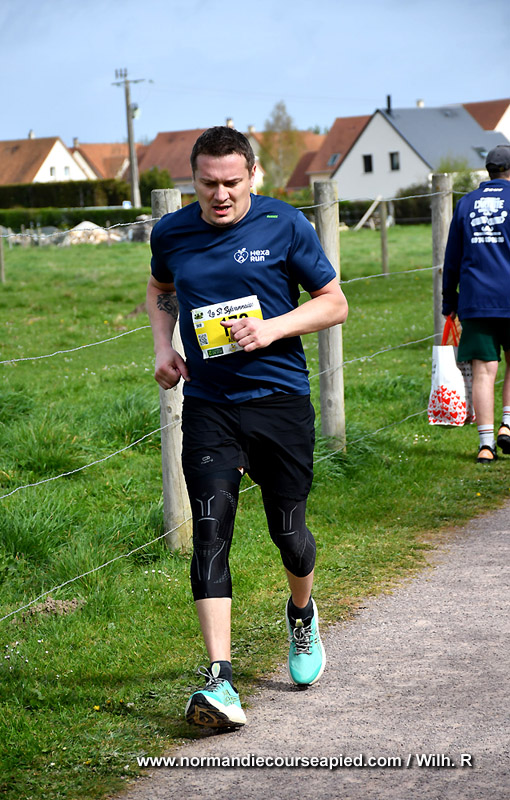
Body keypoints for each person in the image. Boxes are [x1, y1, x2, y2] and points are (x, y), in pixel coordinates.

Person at [146, 125, 348, 729]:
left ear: (252, 175)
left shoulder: (285, 224)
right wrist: (163, 347)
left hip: (279, 402)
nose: (221, 195)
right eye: (208, 183)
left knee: (290, 533)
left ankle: (302, 613)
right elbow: (160, 289)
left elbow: (334, 302)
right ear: (193, 179)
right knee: (210, 531)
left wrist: (272, 328)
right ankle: (220, 681)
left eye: (232, 182)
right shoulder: (171, 232)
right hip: (210, 406)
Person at [442, 144, 510, 463]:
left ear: (489, 171)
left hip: (475, 299)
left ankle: (486, 446)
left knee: (484, 371)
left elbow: (452, 257)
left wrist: (449, 299)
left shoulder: (466, 203)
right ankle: (507, 425)